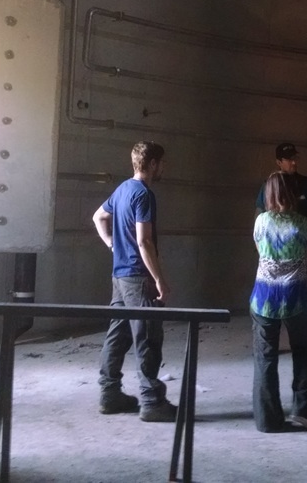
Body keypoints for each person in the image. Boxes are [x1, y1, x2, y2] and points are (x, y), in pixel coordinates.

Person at [92, 140, 177, 423]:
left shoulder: (121, 190)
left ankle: (109, 394)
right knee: (148, 337)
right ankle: (152, 402)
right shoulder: (143, 194)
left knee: (118, 334)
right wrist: (159, 280)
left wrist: (112, 245)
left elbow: (98, 217)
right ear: (152, 164)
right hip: (138, 277)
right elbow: (144, 240)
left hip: (119, 276)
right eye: (161, 163)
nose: (163, 167)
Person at [250, 171, 307, 432]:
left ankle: (267, 419)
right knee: (303, 352)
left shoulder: (260, 222)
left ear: (268, 195)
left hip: (264, 298)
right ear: (292, 194)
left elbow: (260, 251)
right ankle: (303, 409)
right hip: (296, 296)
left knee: (265, 356)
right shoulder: (304, 225)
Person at [255, 142, 307, 226]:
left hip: (299, 235)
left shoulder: (306, 184)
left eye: (295, 158)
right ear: (279, 162)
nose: (294, 162)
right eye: (289, 159)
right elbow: (259, 212)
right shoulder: (269, 185)